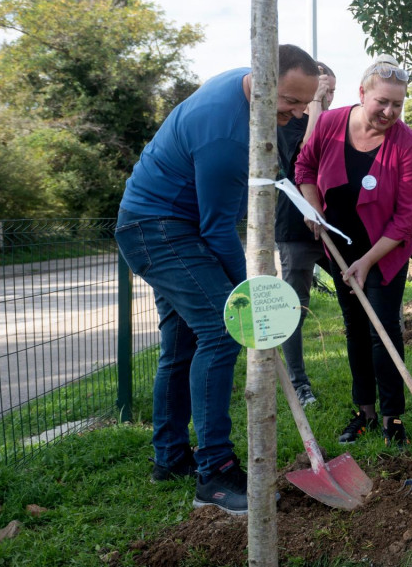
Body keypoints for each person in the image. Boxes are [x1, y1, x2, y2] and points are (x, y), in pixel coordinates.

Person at [115, 45, 321, 515]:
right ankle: (215, 473)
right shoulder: (228, 135)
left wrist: (244, 290)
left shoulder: (241, 86)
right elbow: (216, 230)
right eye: (289, 101)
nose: (295, 114)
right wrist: (249, 294)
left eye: (303, 104)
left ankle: (169, 459)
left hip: (159, 224)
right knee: (220, 333)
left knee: (183, 343)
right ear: (263, 79)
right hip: (159, 229)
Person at [295, 55, 412, 448]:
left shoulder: (407, 144)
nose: (389, 111)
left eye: (397, 105)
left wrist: (367, 263)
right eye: (382, 101)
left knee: (382, 328)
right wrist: (313, 206)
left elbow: (404, 219)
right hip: (340, 246)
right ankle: (364, 412)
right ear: (362, 93)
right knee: (354, 327)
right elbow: (303, 166)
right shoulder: (331, 125)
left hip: (385, 251)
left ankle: (393, 416)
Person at [275, 61, 336, 408]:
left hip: (331, 227)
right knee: (295, 308)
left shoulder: (338, 122)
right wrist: (313, 110)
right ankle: (300, 383)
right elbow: (302, 160)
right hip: (295, 230)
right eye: (322, 92)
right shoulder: (290, 121)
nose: (327, 99)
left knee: (355, 290)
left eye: (331, 91)